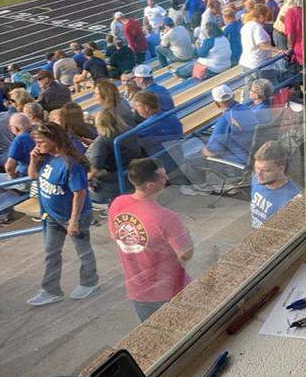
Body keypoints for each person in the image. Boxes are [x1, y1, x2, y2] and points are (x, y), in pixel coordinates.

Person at [108, 158, 193, 321]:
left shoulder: (118, 203)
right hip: (170, 289)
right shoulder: (167, 218)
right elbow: (185, 254)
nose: (167, 178)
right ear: (150, 185)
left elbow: (114, 235)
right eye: (162, 176)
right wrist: (185, 233)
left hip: (137, 289)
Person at [27, 122, 99, 306]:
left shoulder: (71, 164)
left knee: (83, 251)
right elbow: (33, 176)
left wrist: (73, 221)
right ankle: (51, 290)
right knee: (51, 252)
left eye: (41, 141)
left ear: (54, 139)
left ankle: (90, 282)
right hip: (52, 216)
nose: (38, 146)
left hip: (74, 216)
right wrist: (33, 160)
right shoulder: (45, 157)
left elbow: (79, 193)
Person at [87, 108, 141, 204]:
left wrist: (85, 181)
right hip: (132, 173)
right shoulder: (130, 131)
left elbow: (94, 170)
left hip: (113, 183)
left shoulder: (102, 142)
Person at [249, 141, 300, 228]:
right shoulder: (256, 179)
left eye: (266, 170)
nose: (259, 174)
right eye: (257, 168)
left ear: (281, 169)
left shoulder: (292, 199)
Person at [130, 91, 183, 165]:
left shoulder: (143, 127)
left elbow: (131, 140)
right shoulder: (172, 117)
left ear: (146, 107)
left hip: (162, 163)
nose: (136, 109)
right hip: (179, 157)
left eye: (137, 106)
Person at [239, 7, 282, 77]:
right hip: (259, 64)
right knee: (270, 83)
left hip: (246, 63)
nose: (267, 19)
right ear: (261, 17)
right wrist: (278, 50)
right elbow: (262, 45)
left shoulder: (246, 25)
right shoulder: (257, 27)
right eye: (266, 16)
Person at [2, 113, 34, 179]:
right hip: (41, 173)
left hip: (26, 177)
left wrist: (12, 177)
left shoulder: (20, 139)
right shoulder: (38, 133)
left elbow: (9, 167)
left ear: (15, 128)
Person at [281, 0, 304, 67]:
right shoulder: (303, 10)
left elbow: (290, 33)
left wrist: (290, 48)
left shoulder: (290, 13)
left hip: (298, 49)